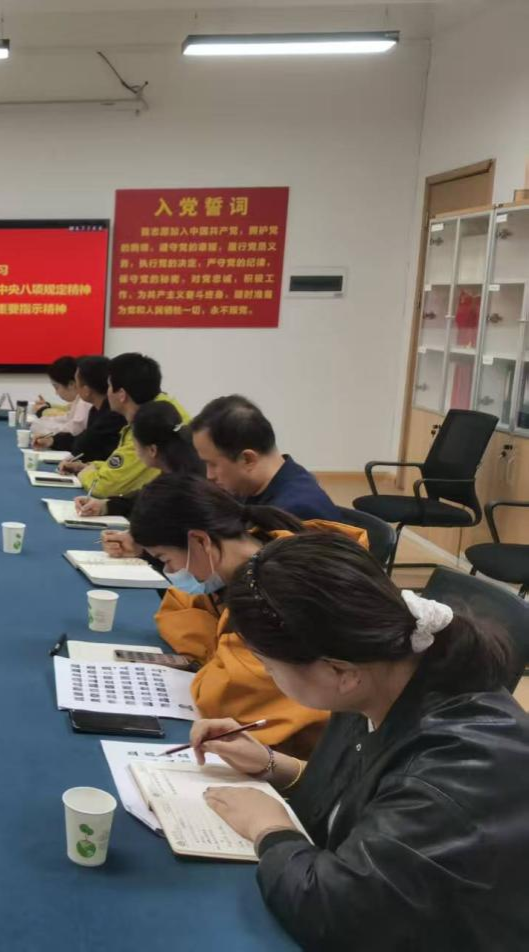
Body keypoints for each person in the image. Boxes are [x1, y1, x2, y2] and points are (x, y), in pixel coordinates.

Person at [193, 533, 528, 950]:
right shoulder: (382, 676)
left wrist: (269, 829)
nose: (268, 676)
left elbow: (335, 913)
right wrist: (272, 764)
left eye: (269, 666)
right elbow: (370, 795)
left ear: (339, 672)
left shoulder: (454, 768)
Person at [127, 474, 368, 756]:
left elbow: (224, 697)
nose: (170, 572)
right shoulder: (250, 551)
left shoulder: (276, 591)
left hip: (316, 751)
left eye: (166, 559)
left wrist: (217, 654)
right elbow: (175, 609)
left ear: (200, 540)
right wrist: (221, 652)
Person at [62, 353, 188, 503]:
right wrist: (90, 466)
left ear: (121, 394)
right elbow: (125, 467)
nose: (107, 392)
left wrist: (84, 473)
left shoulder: (152, 424)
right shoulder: (158, 409)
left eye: (109, 386)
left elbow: (104, 486)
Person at [191, 395, 340, 521]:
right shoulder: (250, 491)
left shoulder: (294, 513)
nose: (209, 475)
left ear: (247, 459)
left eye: (212, 464)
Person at [89, 399, 203, 527]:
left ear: (152, 450)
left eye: (135, 444)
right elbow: (140, 500)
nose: (135, 450)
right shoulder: (177, 468)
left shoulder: (178, 488)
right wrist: (106, 506)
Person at [42, 355, 125, 464]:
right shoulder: (95, 410)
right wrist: (52, 440)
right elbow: (80, 439)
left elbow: (82, 445)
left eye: (77, 384)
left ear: (86, 390)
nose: (75, 388)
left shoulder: (112, 415)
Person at [30, 355, 91, 445]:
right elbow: (67, 418)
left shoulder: (84, 402)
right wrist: (43, 420)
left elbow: (72, 430)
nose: (56, 393)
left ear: (71, 384)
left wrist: (41, 426)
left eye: (57, 387)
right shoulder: (78, 400)